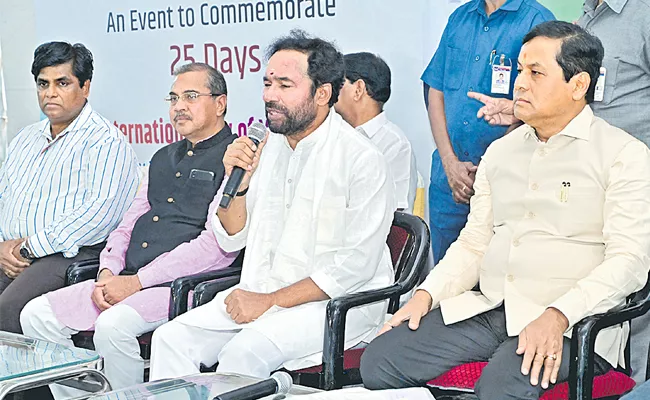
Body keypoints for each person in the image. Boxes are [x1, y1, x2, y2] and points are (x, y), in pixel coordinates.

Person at [361, 21, 650, 400]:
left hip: (572, 323)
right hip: (493, 307)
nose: (520, 83)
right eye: (519, 70)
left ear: (578, 85)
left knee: (499, 387)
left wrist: (560, 314)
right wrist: (426, 294)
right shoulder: (501, 152)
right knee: (380, 360)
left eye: (536, 73)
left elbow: (629, 262)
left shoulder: (624, 156)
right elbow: (474, 244)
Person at [148, 30, 395, 380]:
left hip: (335, 306)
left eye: (284, 86)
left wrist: (269, 301)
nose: (270, 97)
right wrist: (240, 183)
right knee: (170, 338)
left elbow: (352, 268)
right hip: (260, 294)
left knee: (242, 353)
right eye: (267, 84)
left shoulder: (362, 159)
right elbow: (232, 236)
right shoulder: (264, 147)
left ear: (322, 93)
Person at [20, 62, 239, 397]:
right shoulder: (162, 157)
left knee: (112, 325)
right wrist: (108, 271)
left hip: (183, 285)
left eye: (190, 96)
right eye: (173, 98)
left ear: (220, 103)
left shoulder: (235, 158)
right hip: (127, 279)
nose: (178, 106)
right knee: (37, 315)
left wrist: (136, 282)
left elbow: (214, 247)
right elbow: (127, 225)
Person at [468, 0, 650, 381]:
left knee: (631, 310)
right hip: (582, 180)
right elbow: (569, 100)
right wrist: (520, 111)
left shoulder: (644, 16)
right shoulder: (584, 19)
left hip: (632, 181)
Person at [0, 41, 139, 334]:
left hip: (69, 254)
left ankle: (29, 383)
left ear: (85, 87)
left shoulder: (104, 140)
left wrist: (27, 249)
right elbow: (3, 196)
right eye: (43, 83)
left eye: (62, 83)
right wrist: (3, 247)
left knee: (9, 309)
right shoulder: (25, 139)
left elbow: (98, 216)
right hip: (13, 251)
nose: (50, 93)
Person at [423, 0, 554, 264]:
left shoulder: (537, 20)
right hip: (449, 182)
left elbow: (547, 102)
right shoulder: (460, 17)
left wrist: (487, 170)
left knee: (496, 284)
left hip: (506, 182)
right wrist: (449, 162)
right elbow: (435, 90)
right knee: (445, 283)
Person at [335, 52, 417, 213]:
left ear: (358, 89)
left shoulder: (395, 144)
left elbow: (395, 212)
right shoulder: (335, 134)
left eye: (337, 84)